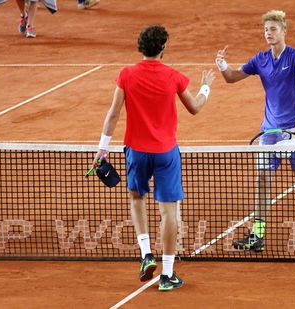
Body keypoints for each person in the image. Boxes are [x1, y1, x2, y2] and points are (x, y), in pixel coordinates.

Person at [92, 25, 215, 291]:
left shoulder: (126, 75)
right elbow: (194, 107)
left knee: (137, 198)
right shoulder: (173, 76)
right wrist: (206, 88)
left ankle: (146, 252)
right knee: (168, 211)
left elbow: (113, 114)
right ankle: (167, 274)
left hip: (136, 152)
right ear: (163, 48)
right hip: (165, 154)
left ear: (141, 47)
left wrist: (103, 149)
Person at [215, 10, 295, 252]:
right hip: (269, 133)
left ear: (284, 31)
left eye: (273, 29)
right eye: (266, 30)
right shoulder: (260, 60)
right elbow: (232, 78)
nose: (269, 34)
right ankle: (257, 234)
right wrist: (222, 66)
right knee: (263, 180)